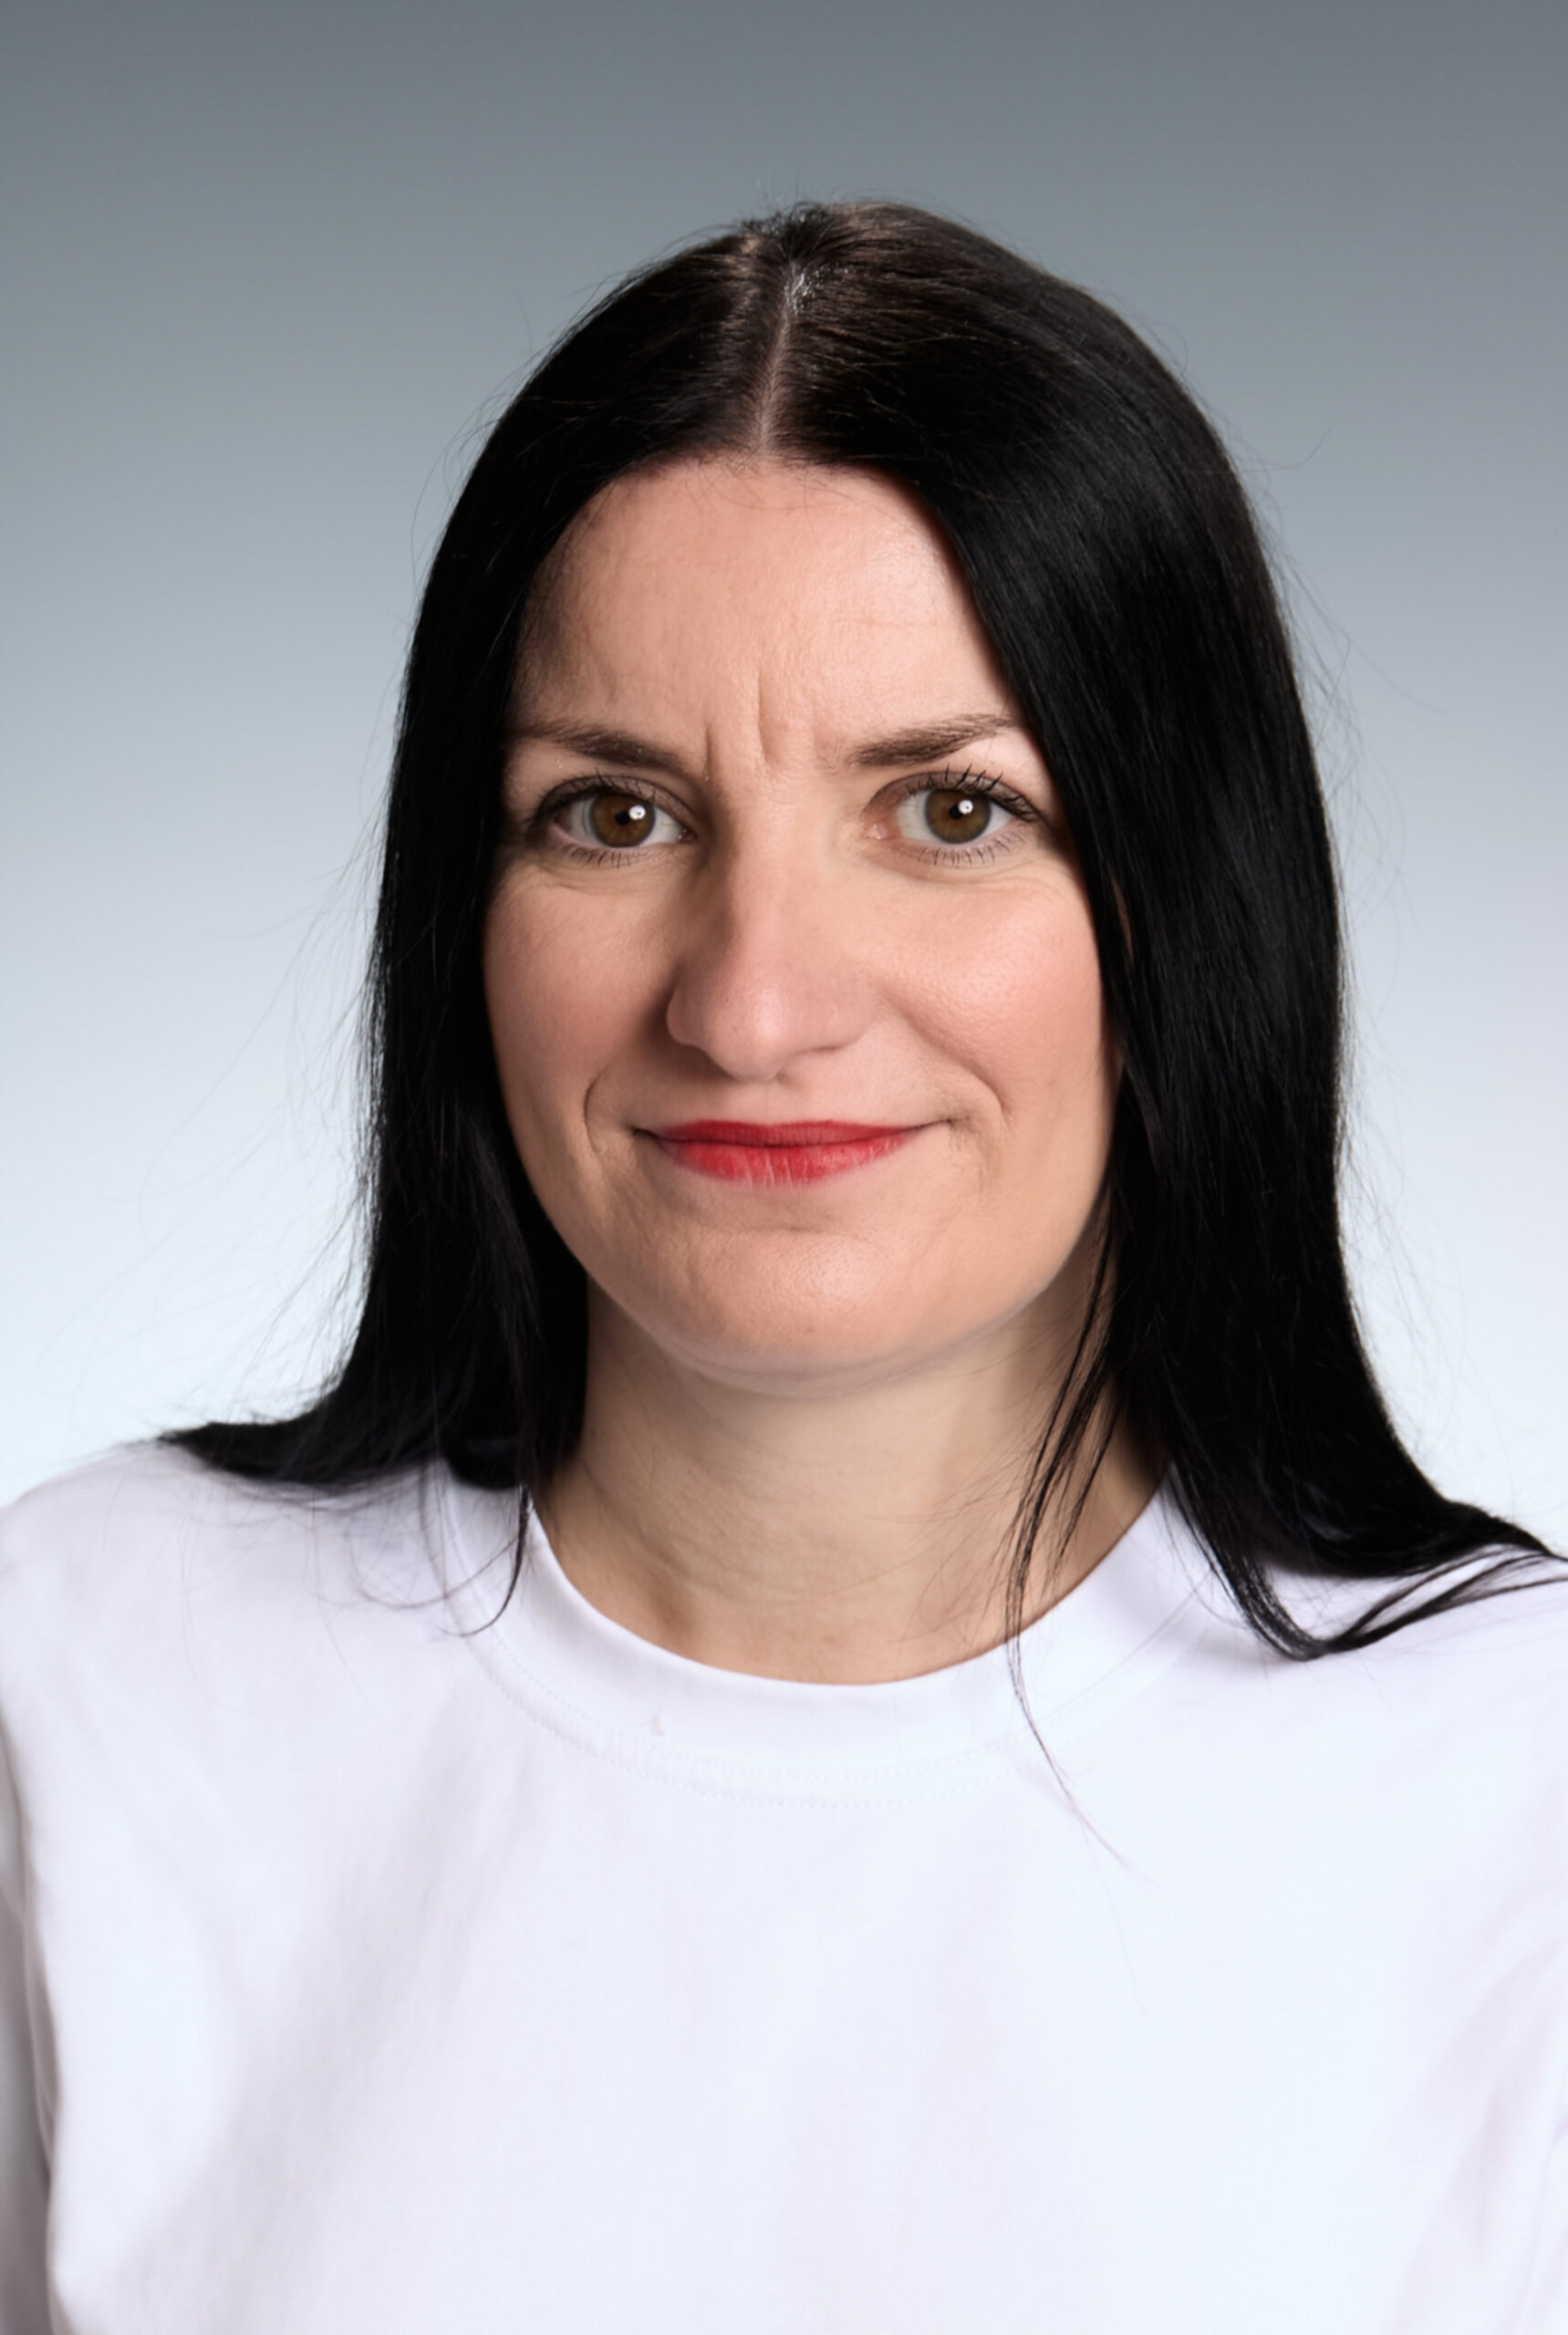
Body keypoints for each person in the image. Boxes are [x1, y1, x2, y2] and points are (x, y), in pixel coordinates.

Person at [0, 202, 1562, 2335]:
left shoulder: (1514, 1791)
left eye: (947, 813)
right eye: (613, 815)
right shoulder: (78, 1676)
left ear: (1186, 913)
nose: (749, 1004)